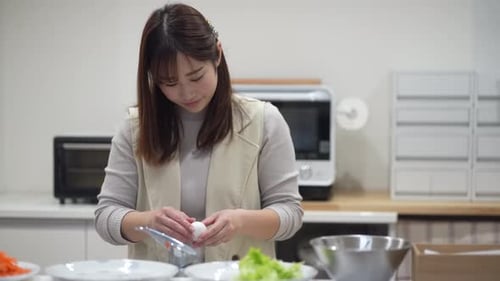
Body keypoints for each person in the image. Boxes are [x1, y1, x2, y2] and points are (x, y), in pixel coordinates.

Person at [94, 2, 303, 263]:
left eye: (195, 76)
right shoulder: (135, 128)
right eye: (169, 82)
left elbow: (290, 214)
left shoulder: (264, 121)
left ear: (217, 55)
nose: (186, 92)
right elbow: (105, 217)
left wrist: (240, 221)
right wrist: (147, 221)